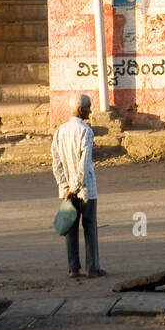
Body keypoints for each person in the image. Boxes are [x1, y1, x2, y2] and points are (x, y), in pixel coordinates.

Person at [51, 93, 104, 279]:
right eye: (89, 107)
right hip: (86, 189)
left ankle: (73, 268)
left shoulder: (60, 131)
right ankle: (93, 268)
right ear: (82, 110)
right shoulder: (86, 131)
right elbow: (83, 164)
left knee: (71, 230)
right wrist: (75, 187)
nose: (90, 110)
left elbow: (56, 162)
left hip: (67, 191)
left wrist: (65, 186)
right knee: (90, 227)